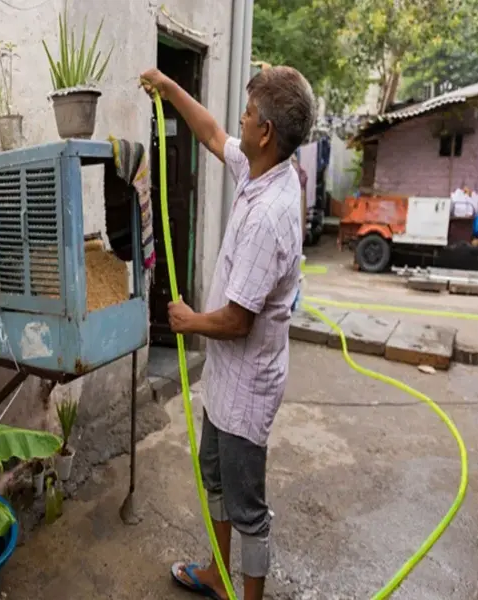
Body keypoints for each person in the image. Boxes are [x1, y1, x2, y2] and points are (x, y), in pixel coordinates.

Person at [140, 65, 316, 600]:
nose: (241, 117)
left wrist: (188, 321)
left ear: (266, 132)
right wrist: (169, 87)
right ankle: (218, 574)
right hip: (226, 378)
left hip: (247, 387)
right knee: (213, 476)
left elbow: (238, 321)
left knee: (247, 508)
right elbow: (212, 133)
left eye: (249, 111)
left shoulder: (270, 215)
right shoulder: (262, 169)